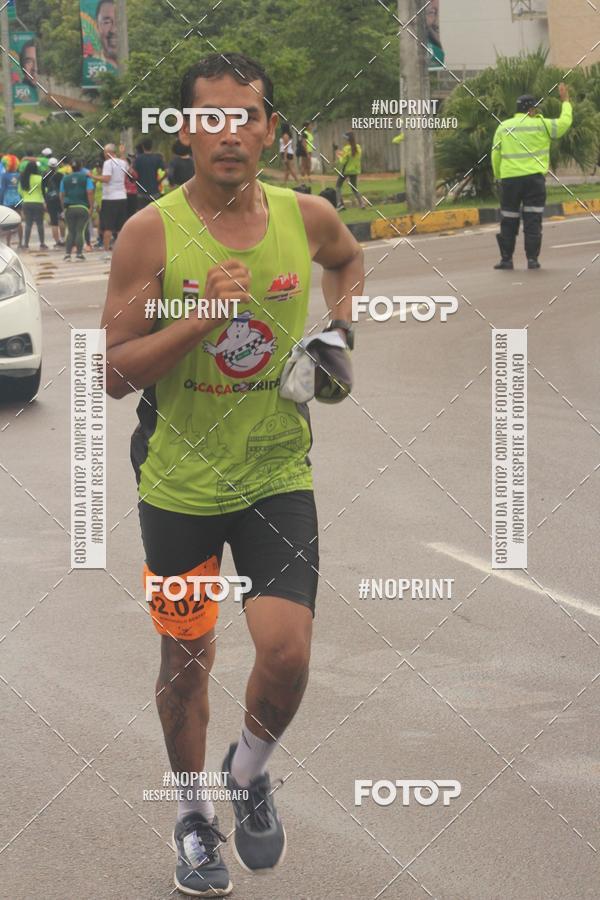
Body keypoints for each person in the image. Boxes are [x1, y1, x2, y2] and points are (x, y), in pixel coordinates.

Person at [101, 51, 362, 897]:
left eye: (244, 115)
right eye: (208, 116)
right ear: (185, 131)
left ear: (269, 129)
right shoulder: (150, 233)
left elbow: (347, 258)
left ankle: (247, 771)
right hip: (177, 483)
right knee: (186, 661)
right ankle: (192, 818)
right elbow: (113, 371)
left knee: (286, 654)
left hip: (275, 472)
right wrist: (200, 319)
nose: (227, 132)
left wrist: (338, 333)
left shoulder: (307, 215)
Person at [492, 82, 573, 270]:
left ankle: (506, 260)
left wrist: (498, 176)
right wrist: (566, 102)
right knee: (533, 219)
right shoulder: (542, 125)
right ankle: (532, 260)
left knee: (508, 218)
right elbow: (564, 123)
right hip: (534, 181)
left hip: (510, 180)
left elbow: (495, 154)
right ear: (531, 110)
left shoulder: (504, 127)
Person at [91, 143, 127, 260]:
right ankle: (121, 252)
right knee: (120, 227)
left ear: (108, 153)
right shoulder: (123, 162)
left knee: (108, 227)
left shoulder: (107, 163)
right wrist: (122, 153)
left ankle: (106, 252)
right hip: (122, 196)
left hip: (110, 198)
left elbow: (106, 179)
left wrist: (93, 176)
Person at [60, 160, 94, 261]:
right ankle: (79, 254)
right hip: (83, 207)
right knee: (80, 231)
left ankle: (67, 254)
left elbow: (62, 194)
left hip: (69, 207)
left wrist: (63, 207)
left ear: (71, 167)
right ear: (81, 167)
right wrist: (91, 206)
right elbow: (90, 192)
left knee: (70, 231)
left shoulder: (65, 178)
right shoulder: (86, 178)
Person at [19, 160, 47, 250]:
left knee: (28, 224)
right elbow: (44, 191)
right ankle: (42, 243)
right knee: (40, 224)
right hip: (38, 202)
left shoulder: (23, 178)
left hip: (26, 202)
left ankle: (26, 244)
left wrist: (25, 196)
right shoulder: (39, 178)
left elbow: (19, 191)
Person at [335, 131, 364, 210]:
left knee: (338, 186)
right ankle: (361, 204)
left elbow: (343, 161)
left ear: (347, 139)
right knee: (354, 188)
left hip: (346, 171)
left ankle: (339, 204)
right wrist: (342, 154)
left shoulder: (346, 148)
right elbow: (352, 156)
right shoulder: (358, 147)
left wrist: (338, 156)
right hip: (355, 170)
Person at [133, 138, 165, 208]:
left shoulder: (138, 159)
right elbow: (167, 170)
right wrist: (160, 180)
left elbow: (132, 173)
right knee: (155, 211)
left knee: (142, 212)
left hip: (141, 192)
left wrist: (135, 180)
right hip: (155, 191)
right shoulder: (157, 158)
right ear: (152, 146)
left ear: (143, 147)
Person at [0, 155, 23, 248]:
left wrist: (1, 201)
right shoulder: (19, 175)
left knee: (8, 223)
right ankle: (20, 243)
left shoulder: (4, 176)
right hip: (18, 199)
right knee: (19, 221)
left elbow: (3, 189)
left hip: (7, 200)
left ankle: (8, 244)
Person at [43, 158, 65, 248]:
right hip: (60, 199)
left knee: (54, 221)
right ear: (57, 166)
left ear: (49, 166)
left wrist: (45, 201)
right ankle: (63, 239)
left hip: (50, 199)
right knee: (62, 219)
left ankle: (57, 241)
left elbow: (43, 189)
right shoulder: (61, 175)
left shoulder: (45, 175)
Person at [124, 155, 139, 219]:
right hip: (124, 195)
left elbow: (135, 176)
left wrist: (129, 169)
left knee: (132, 214)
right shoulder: (121, 172)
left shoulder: (132, 171)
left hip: (132, 194)